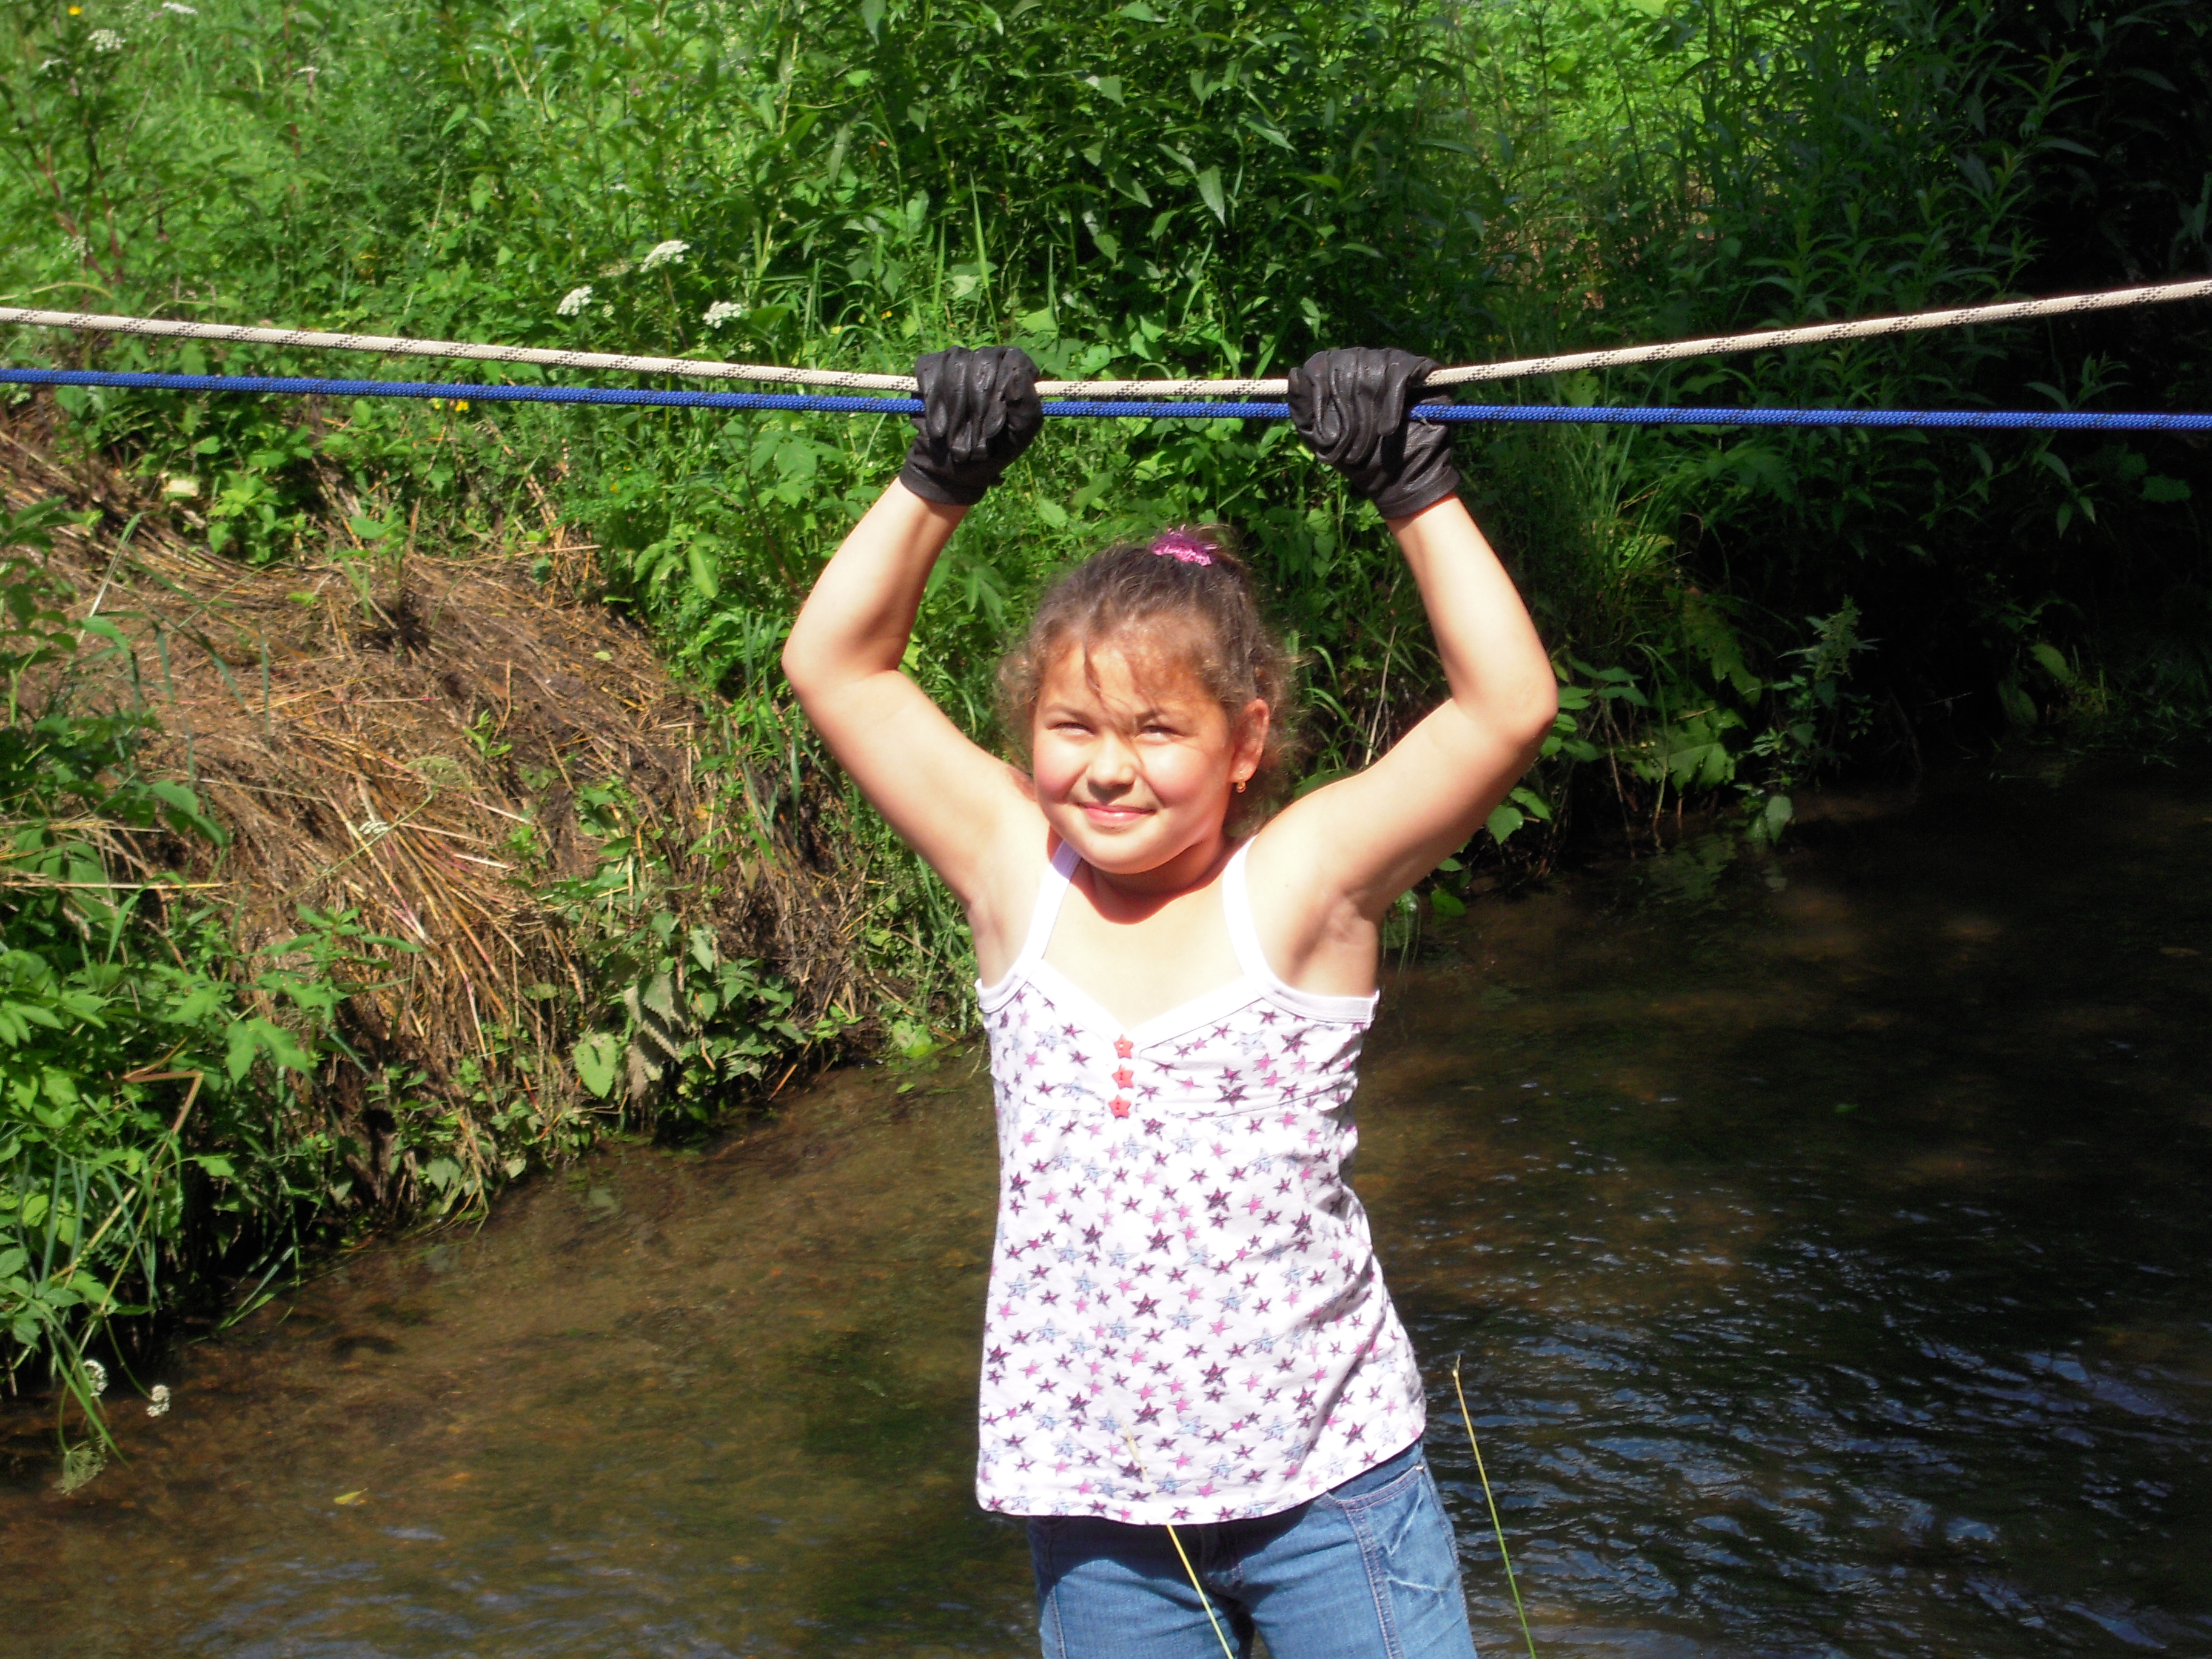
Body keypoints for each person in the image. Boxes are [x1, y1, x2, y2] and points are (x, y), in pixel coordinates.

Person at [782, 345, 1557, 1659]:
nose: (1109, 769)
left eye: (1157, 730)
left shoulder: (1301, 887)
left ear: (1246, 742)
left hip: (1332, 1493)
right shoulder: (1015, 870)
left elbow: (1507, 707)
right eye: (1074, 726)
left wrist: (1409, 481)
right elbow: (838, 665)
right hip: (1099, 1519)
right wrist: (939, 476)